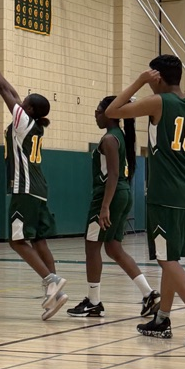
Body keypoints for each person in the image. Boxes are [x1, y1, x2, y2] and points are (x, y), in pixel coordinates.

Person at [106, 55, 185, 346]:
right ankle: (162, 319)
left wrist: (139, 81)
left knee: (165, 258)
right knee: (171, 259)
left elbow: (112, 111)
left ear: (157, 76)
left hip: (163, 192)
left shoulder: (159, 102)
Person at [0, 44, 68, 320]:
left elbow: (5, 91)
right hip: (39, 189)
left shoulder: (24, 122)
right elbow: (12, 92)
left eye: (23, 101)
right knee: (38, 240)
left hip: (24, 188)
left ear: (28, 108)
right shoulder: (32, 124)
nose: (19, 101)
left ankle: (51, 280)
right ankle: (54, 293)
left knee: (16, 241)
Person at [68, 96, 159, 318]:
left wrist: (105, 207)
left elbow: (114, 174)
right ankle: (149, 294)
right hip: (122, 193)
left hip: (109, 195)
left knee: (92, 246)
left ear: (110, 113)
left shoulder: (110, 138)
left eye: (98, 110)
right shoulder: (120, 136)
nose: (95, 114)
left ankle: (93, 301)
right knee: (113, 248)